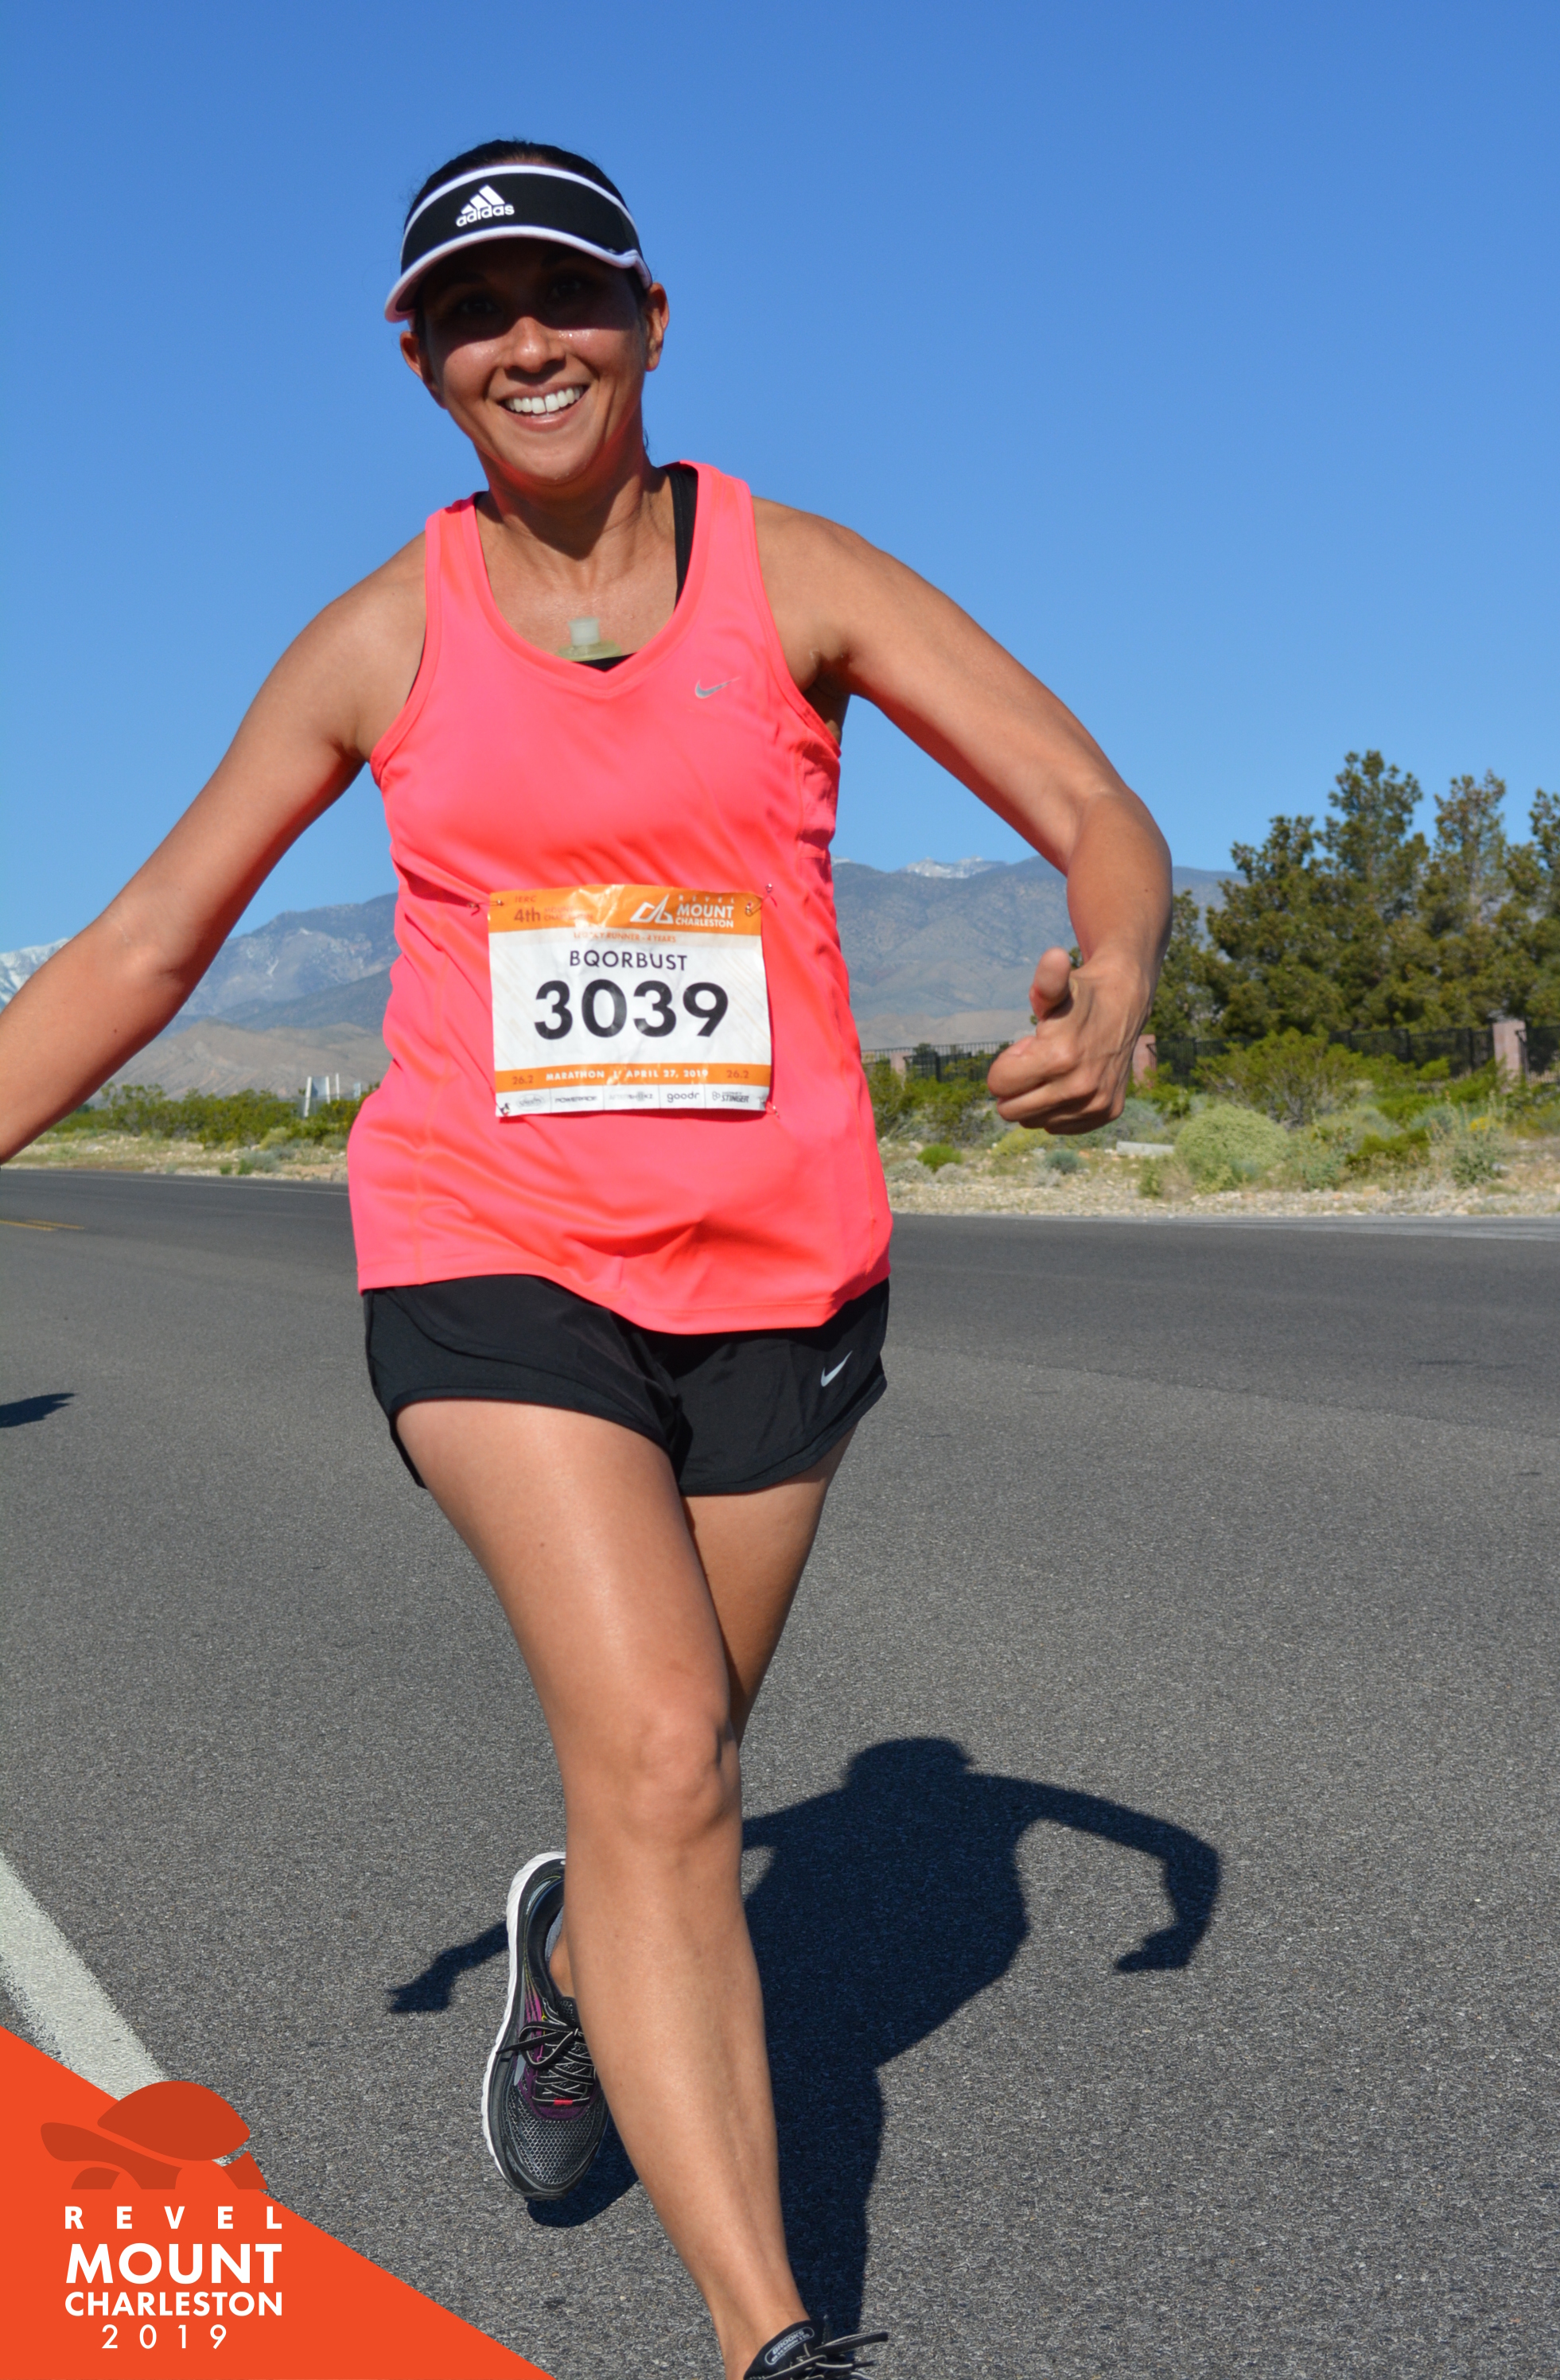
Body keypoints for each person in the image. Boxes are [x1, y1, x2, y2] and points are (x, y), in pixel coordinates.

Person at [0, 141, 1172, 2379]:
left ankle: (569, 1967)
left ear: (648, 321)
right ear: (418, 360)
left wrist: (1112, 977)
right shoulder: (382, 635)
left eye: (565, 297)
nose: (524, 342)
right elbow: (150, 944)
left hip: (783, 1273)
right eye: (473, 313)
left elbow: (1092, 802)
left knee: (682, 1763)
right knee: (658, 1758)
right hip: (491, 1249)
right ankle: (771, 2336)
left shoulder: (797, 575)